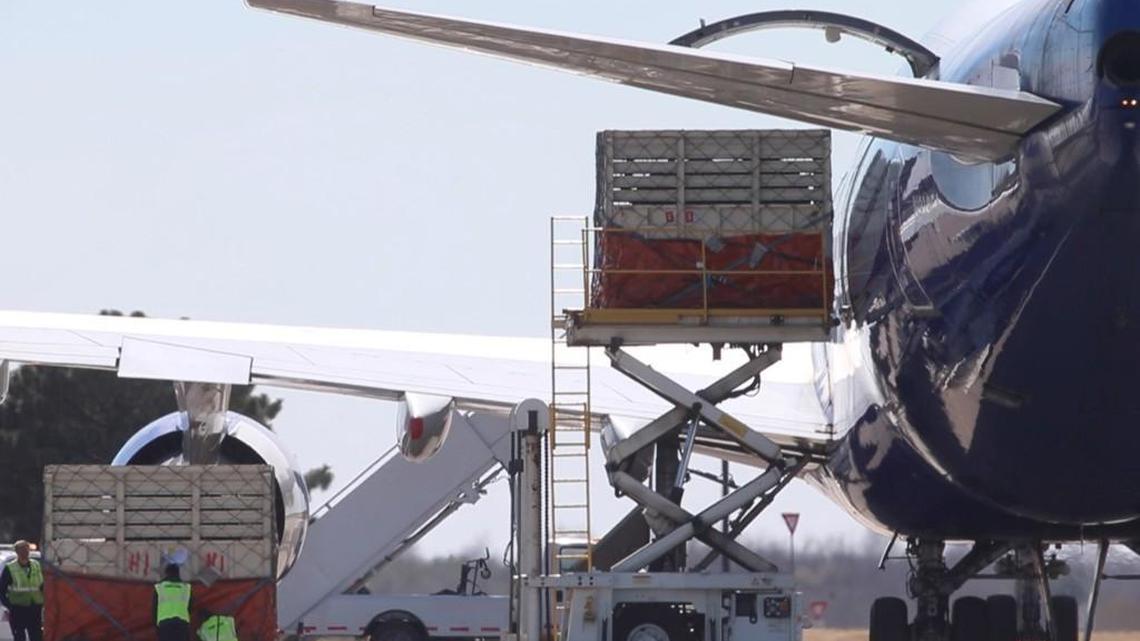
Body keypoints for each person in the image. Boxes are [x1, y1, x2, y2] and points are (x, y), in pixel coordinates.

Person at [0, 540, 43, 641]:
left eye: (27, 549)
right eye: (22, 550)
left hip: (34, 608)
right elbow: (2, 590)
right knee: (19, 637)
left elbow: (42, 584)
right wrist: (9, 606)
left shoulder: (36, 565)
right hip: (18, 609)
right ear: (17, 552)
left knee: (36, 636)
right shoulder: (10, 568)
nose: (25, 552)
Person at [153, 563, 192, 641]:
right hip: (182, 623)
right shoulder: (186, 588)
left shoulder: (160, 587)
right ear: (178, 573)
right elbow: (190, 607)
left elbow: (154, 608)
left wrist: (156, 626)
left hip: (165, 623)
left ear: (166, 573)